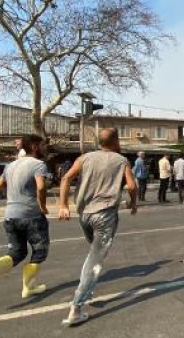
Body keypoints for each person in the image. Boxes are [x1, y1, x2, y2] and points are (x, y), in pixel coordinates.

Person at [58, 128, 137, 326]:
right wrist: (133, 203)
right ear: (116, 141)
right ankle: (76, 307)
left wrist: (63, 205)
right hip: (105, 215)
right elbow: (132, 186)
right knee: (95, 260)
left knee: (93, 250)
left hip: (84, 214)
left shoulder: (84, 158)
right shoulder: (121, 161)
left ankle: (88, 287)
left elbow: (66, 178)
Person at [0, 135, 50, 298]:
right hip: (31, 215)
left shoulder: (11, 165)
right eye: (42, 145)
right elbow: (41, 187)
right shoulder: (39, 165)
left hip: (10, 216)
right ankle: (28, 287)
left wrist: (14, 195)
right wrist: (42, 206)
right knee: (39, 251)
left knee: (17, 252)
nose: (45, 148)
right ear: (35, 147)